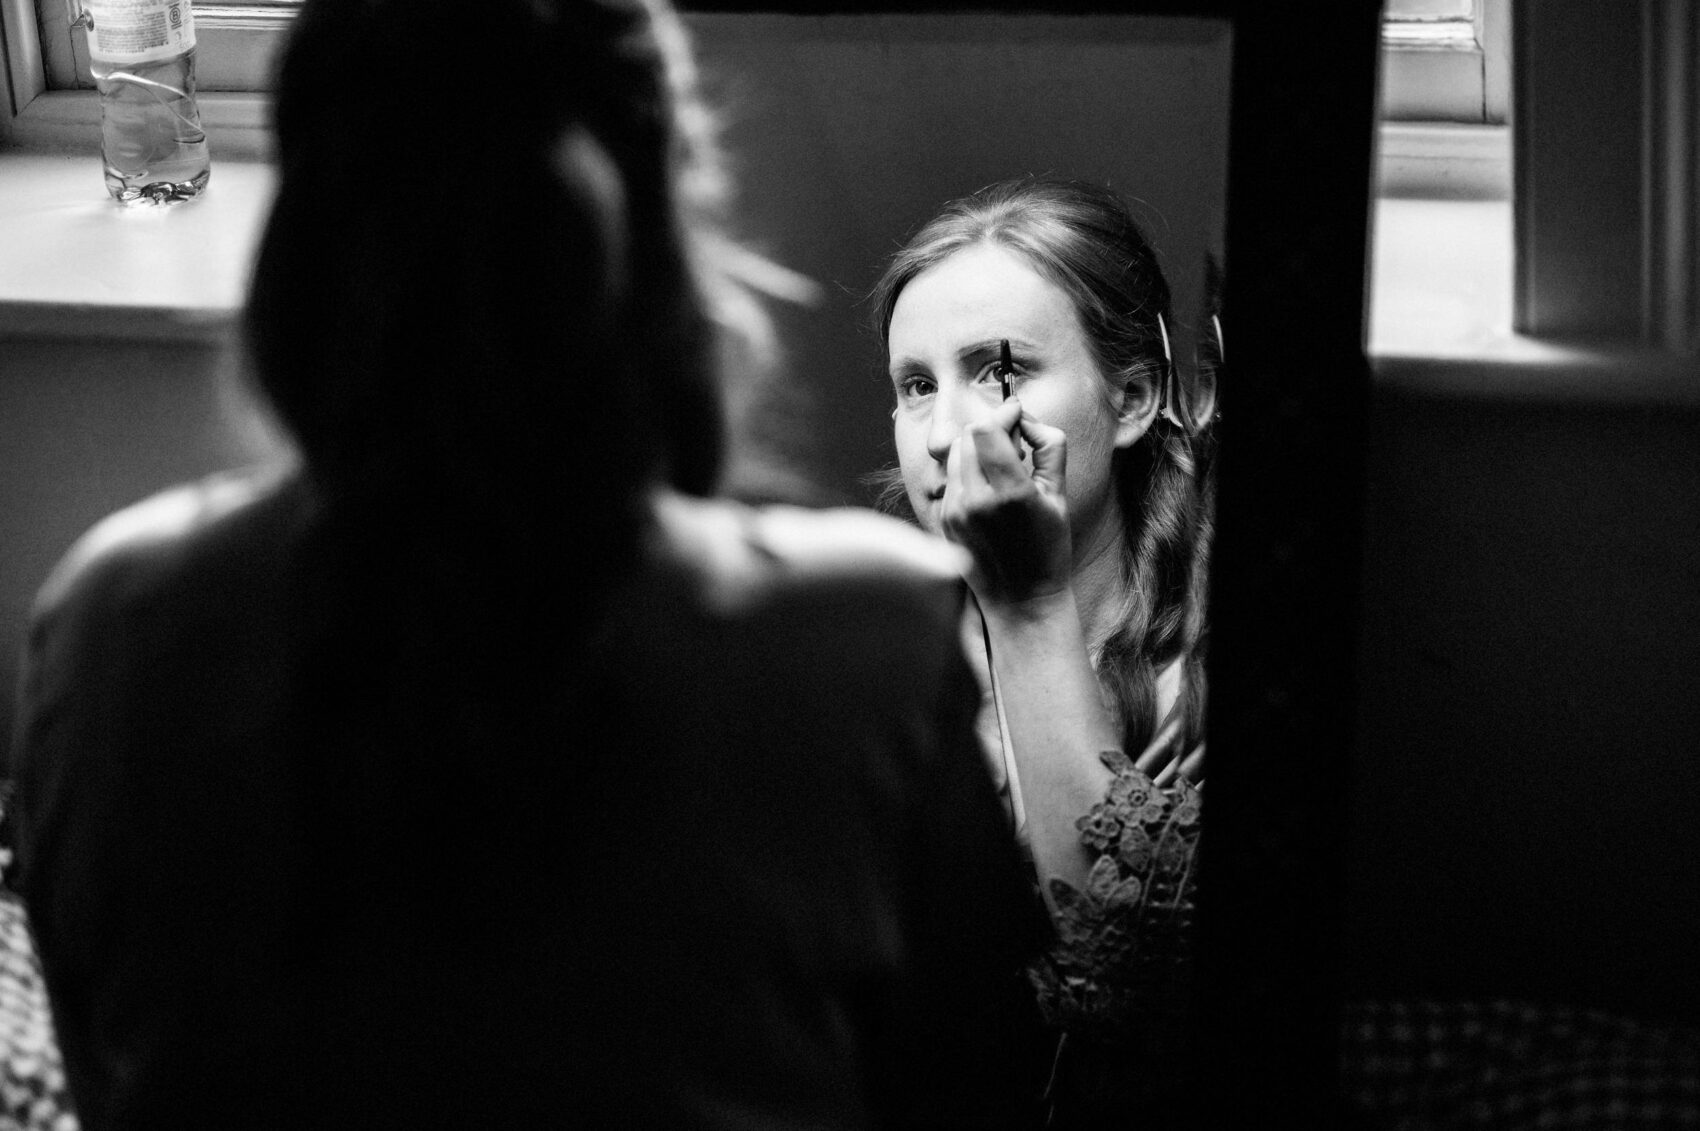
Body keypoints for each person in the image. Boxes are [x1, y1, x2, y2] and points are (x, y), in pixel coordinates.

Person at [9, 1, 1046, 1127]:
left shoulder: (104, 630)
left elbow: (111, 1078)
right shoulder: (873, 640)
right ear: (661, 246)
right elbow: (985, 1094)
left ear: (307, 244)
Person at [869, 177, 1220, 1125]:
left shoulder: (1201, 658)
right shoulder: (881, 662)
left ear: (1135, 397)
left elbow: (1126, 987)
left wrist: (1027, 602)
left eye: (1003, 372)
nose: (946, 434)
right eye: (915, 387)